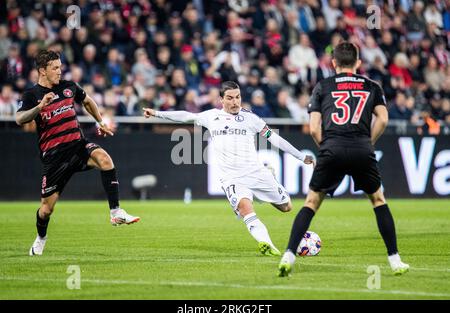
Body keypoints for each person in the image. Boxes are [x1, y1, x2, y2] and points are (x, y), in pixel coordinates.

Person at [278, 42, 410, 277]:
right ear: (358, 62)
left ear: (334, 63)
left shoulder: (323, 86)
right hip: (361, 148)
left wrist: (327, 147)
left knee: (311, 203)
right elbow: (383, 118)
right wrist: (368, 142)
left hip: (332, 148)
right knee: (378, 200)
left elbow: (314, 128)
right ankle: (395, 261)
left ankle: (288, 255)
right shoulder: (372, 86)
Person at [143, 81, 314, 256]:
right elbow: (186, 116)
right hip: (232, 178)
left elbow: (274, 139)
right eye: (230, 98)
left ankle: (269, 180)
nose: (235, 102)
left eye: (238, 97)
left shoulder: (251, 118)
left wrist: (300, 156)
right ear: (221, 100)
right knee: (245, 209)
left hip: (256, 172)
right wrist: (157, 113)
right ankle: (267, 244)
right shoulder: (211, 116)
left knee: (286, 207)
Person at [15, 50, 140, 256]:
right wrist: (39, 107)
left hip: (78, 146)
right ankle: (41, 238)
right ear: (42, 71)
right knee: (46, 210)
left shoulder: (68, 86)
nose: (59, 70)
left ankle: (116, 212)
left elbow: (88, 101)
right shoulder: (31, 95)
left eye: (60, 66)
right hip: (54, 158)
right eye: (54, 67)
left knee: (104, 159)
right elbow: (20, 119)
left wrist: (100, 121)